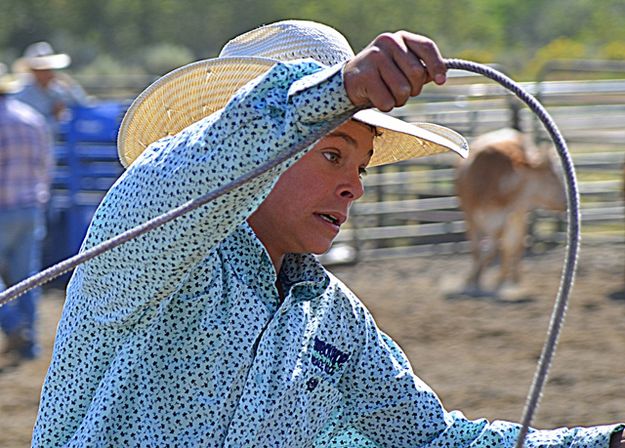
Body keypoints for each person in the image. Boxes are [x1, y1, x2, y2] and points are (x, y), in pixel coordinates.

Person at [33, 20, 623, 447]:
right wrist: (331, 94)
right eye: (333, 155)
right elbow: (185, 172)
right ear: (265, 149)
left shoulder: (333, 320)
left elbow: (431, 438)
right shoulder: (149, 248)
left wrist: (602, 442)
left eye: (360, 165)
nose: (355, 188)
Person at [0, 63, 53, 366]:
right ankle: (29, 344)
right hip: (31, 206)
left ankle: (11, 324)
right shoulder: (32, 119)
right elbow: (46, 165)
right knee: (27, 276)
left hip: (3, 207)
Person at [13, 41, 88, 132]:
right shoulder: (22, 96)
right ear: (33, 71)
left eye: (49, 69)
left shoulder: (57, 90)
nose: (48, 73)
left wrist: (70, 84)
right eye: (42, 70)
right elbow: (29, 127)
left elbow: (82, 103)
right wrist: (55, 118)